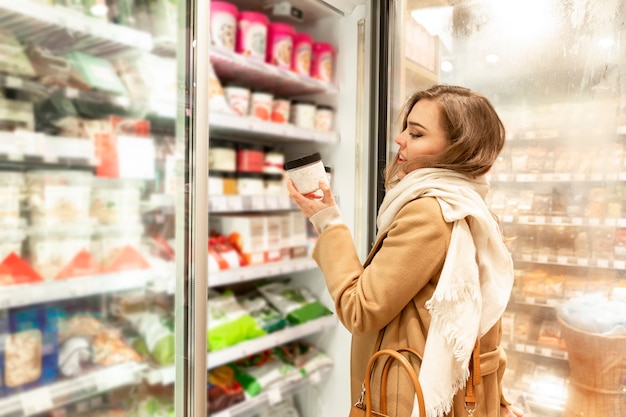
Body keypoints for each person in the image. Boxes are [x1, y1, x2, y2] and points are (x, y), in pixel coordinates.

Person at [287, 84, 524, 417]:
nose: (400, 140)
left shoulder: (429, 212)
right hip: (463, 396)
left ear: (458, 149)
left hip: (407, 400)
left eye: (416, 134)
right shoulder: (470, 205)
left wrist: (327, 222)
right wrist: (496, 398)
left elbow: (361, 309)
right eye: (405, 130)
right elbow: (484, 320)